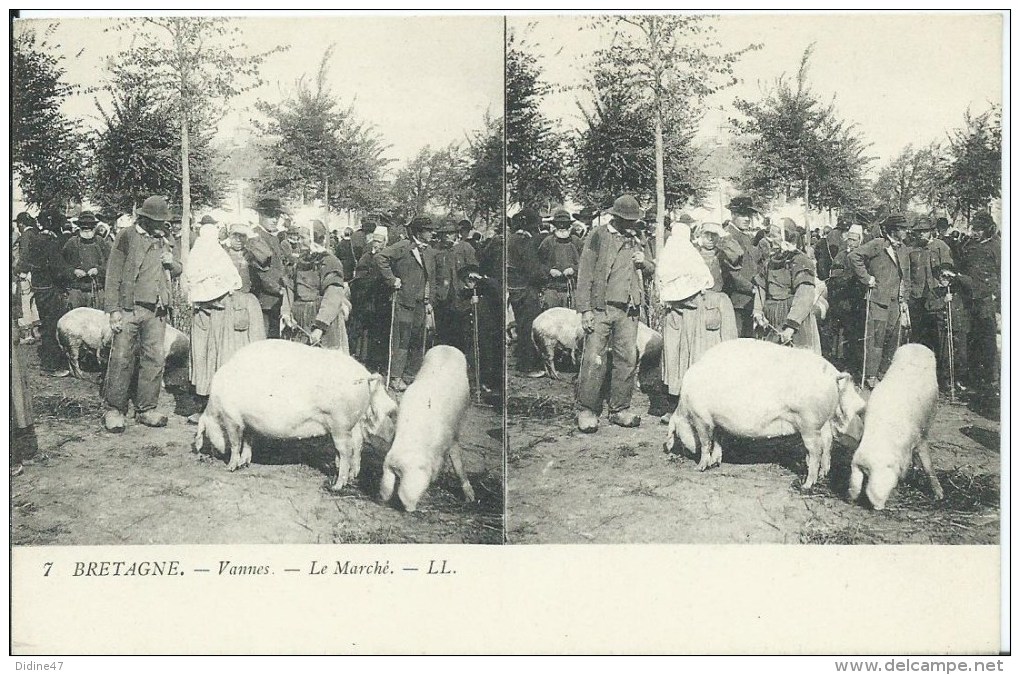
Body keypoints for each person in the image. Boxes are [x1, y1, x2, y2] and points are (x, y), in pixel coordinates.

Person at [574, 194, 655, 433]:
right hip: (602, 307)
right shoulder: (598, 236)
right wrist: (585, 309)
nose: (631, 224)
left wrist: (644, 262)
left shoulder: (637, 238)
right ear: (616, 218)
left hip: (629, 310)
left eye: (633, 220)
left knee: (627, 359)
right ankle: (587, 409)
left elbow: (651, 268)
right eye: (626, 220)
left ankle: (620, 409)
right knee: (594, 358)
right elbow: (585, 273)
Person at [102, 196, 182, 432]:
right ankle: (115, 409)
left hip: (157, 310)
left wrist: (171, 263)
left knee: (154, 359)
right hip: (130, 308)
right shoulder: (127, 236)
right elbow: (113, 273)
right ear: (144, 219)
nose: (161, 225)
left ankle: (146, 408)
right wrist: (113, 310)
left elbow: (178, 269)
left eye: (163, 221)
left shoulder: (165, 239)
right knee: (121, 357)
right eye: (156, 221)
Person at [658, 222, 738, 420]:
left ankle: (712, 406)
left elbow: (738, 254)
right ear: (698, 235)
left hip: (713, 308)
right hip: (688, 308)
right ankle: (678, 406)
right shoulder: (687, 251)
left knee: (709, 356)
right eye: (706, 234)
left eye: (714, 235)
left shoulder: (722, 255)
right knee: (682, 356)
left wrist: (724, 235)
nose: (710, 239)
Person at [182, 217, 249, 422]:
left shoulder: (220, 255)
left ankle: (220, 406)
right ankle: (203, 404)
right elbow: (192, 281)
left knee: (219, 356)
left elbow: (231, 281)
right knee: (203, 357)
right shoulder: (197, 254)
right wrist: (201, 298)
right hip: (203, 315)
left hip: (221, 315)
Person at [848, 213, 912, 388]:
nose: (906, 231)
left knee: (893, 339)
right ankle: (870, 375)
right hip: (878, 300)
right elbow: (855, 256)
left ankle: (885, 374)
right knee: (876, 339)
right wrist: (867, 278)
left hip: (896, 302)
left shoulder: (904, 249)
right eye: (902, 228)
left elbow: (906, 277)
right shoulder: (878, 244)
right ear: (893, 230)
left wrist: (904, 299)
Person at [375, 215, 437, 391]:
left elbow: (430, 278)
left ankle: (410, 375)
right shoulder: (404, 246)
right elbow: (381, 257)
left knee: (417, 340)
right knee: (402, 340)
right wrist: (392, 279)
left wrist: (429, 300)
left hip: (421, 303)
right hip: (404, 302)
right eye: (428, 230)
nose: (432, 233)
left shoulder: (429, 251)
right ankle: (395, 377)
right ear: (419, 231)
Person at [753, 217, 822, 354]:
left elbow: (805, 296)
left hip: (793, 319)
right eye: (769, 236)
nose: (770, 240)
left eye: (775, 236)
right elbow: (761, 288)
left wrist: (791, 326)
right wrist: (758, 312)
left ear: (787, 237)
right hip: (771, 319)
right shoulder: (771, 261)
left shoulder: (801, 261)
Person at [279, 220, 351, 352]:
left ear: (314, 238)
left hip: (322, 320)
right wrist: (286, 313)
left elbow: (333, 297)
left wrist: (320, 327)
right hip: (300, 319)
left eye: (302, 238)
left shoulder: (330, 262)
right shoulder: (299, 261)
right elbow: (289, 289)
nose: (298, 241)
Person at [17, 210, 73, 377]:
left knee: (47, 325)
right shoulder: (50, 242)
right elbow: (58, 270)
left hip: (40, 288)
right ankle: (51, 365)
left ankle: (51, 362)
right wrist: (71, 274)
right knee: (51, 327)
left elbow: (24, 264)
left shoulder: (35, 239)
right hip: (50, 290)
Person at [959, 211, 1000, 393]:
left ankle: (992, 381)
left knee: (988, 341)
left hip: (986, 300)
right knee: (972, 340)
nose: (975, 233)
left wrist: (997, 299)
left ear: (987, 230)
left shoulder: (996, 247)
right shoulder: (968, 245)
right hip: (970, 299)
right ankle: (975, 380)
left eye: (979, 230)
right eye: (974, 229)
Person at [506, 209, 548, 378]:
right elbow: (533, 269)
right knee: (528, 327)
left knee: (522, 325)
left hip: (515, 290)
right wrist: (546, 273)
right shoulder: (524, 242)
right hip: (526, 290)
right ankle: (527, 366)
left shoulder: (512, 239)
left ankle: (522, 359)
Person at [906, 216, 954, 357]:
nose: (921, 234)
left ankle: (939, 369)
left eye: (924, 231)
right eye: (918, 231)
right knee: (918, 335)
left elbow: (948, 271)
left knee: (938, 336)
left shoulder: (941, 247)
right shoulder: (911, 249)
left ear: (931, 231)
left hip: (935, 298)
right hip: (917, 297)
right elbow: (907, 273)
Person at [246, 197, 292, 338]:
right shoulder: (255, 237)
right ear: (260, 215)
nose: (274, 220)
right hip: (264, 300)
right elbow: (259, 271)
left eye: (277, 216)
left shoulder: (274, 237)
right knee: (264, 341)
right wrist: (278, 289)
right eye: (270, 216)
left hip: (277, 300)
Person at [826, 223, 866, 378]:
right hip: (843, 300)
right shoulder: (841, 255)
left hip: (858, 301)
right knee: (840, 333)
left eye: (854, 240)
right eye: (849, 239)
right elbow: (834, 277)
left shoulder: (863, 256)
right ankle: (840, 363)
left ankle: (854, 365)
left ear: (860, 241)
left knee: (855, 335)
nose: (851, 243)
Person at [720, 196, 762, 337]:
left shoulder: (745, 236)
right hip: (737, 300)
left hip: (750, 299)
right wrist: (752, 288)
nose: (747, 219)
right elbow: (731, 273)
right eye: (742, 215)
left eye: (749, 215)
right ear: (733, 215)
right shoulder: (729, 237)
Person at [350, 231, 389, 370]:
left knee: (380, 331)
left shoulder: (387, 257)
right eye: (375, 241)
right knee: (366, 331)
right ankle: (364, 359)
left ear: (384, 243)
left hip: (382, 300)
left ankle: (379, 361)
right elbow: (359, 278)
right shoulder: (366, 257)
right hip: (368, 300)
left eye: (379, 242)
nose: (376, 244)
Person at [62, 211, 111, 309]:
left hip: (97, 289)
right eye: (84, 228)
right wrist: (73, 271)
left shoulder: (100, 242)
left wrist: (98, 270)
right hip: (77, 290)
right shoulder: (71, 243)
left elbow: (111, 263)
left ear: (94, 228)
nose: (87, 230)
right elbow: (62, 264)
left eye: (90, 227)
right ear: (79, 227)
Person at [536, 208, 582, 309]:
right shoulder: (547, 242)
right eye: (559, 224)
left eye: (565, 224)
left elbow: (586, 264)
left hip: (572, 288)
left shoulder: (576, 242)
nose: (562, 227)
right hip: (552, 288)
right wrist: (549, 270)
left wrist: (573, 269)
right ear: (554, 225)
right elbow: (537, 264)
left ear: (569, 225)